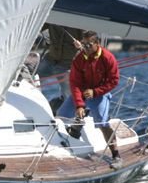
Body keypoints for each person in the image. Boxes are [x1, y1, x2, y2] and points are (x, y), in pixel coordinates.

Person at [56, 30, 121, 159]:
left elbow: (114, 81)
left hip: (100, 93)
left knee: (102, 123)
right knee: (61, 115)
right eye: (83, 44)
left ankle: (116, 155)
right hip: (83, 92)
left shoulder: (108, 58)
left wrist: (96, 91)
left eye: (88, 45)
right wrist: (79, 105)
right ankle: (71, 138)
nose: (85, 48)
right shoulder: (79, 59)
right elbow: (75, 83)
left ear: (97, 44)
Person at [35, 23, 83, 101]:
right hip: (51, 59)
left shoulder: (79, 21)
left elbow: (90, 42)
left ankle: (72, 110)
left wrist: (81, 45)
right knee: (32, 78)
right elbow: (39, 25)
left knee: (68, 92)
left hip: (67, 64)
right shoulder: (54, 17)